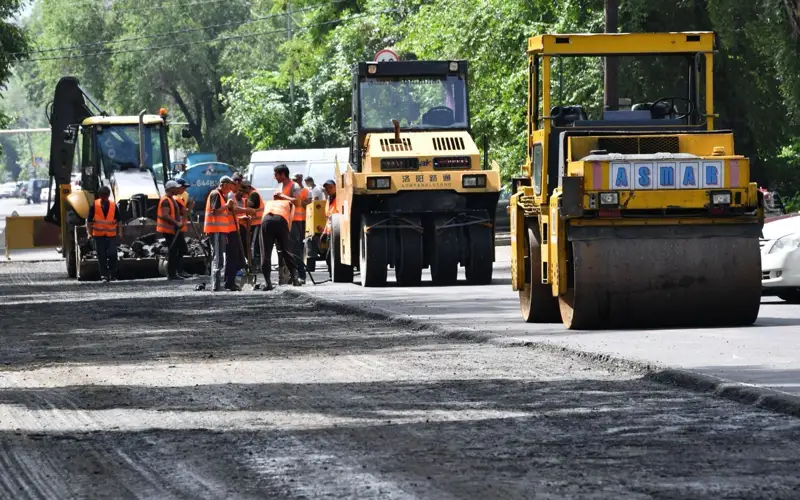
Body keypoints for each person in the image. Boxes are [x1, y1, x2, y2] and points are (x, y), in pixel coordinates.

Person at [204, 176, 239, 291]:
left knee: (219, 257)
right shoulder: (215, 194)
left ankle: (217, 284)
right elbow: (215, 211)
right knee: (218, 257)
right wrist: (227, 205)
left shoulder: (221, 195)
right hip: (216, 230)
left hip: (220, 231)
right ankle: (216, 285)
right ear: (224, 184)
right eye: (229, 187)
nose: (229, 190)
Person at [259, 198, 302, 290]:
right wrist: (285, 241)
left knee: (266, 253)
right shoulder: (290, 204)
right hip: (281, 221)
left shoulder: (269, 202)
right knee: (286, 251)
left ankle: (268, 283)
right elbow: (289, 222)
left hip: (266, 221)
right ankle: (295, 279)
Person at [87, 185, 121, 282]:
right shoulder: (94, 205)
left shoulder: (113, 206)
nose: (104, 198)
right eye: (102, 195)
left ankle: (113, 275)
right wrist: (89, 233)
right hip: (99, 236)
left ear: (108, 195)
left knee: (113, 254)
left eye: (106, 196)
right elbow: (89, 221)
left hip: (111, 235)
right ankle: (104, 275)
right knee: (101, 256)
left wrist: (120, 232)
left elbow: (119, 220)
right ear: (99, 195)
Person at [157, 180, 184, 280]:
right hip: (168, 230)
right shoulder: (165, 200)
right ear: (171, 189)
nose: (177, 189)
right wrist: (177, 223)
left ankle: (174, 272)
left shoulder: (171, 199)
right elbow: (165, 215)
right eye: (176, 188)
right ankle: (172, 273)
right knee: (173, 251)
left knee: (179, 249)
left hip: (173, 229)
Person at [238, 180, 264, 271]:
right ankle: (255, 265)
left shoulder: (253, 194)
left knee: (254, 245)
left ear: (248, 188)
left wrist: (243, 201)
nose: (242, 192)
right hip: (253, 223)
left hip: (257, 223)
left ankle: (255, 265)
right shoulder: (250, 194)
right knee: (254, 244)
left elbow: (250, 204)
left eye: (243, 190)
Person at [174, 178, 194, 278]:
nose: (184, 189)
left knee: (181, 249)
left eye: (185, 187)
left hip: (182, 226)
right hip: (175, 226)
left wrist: (189, 208)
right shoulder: (174, 197)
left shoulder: (185, 195)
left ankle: (179, 270)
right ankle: (177, 270)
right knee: (180, 248)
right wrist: (186, 211)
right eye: (183, 187)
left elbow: (189, 205)